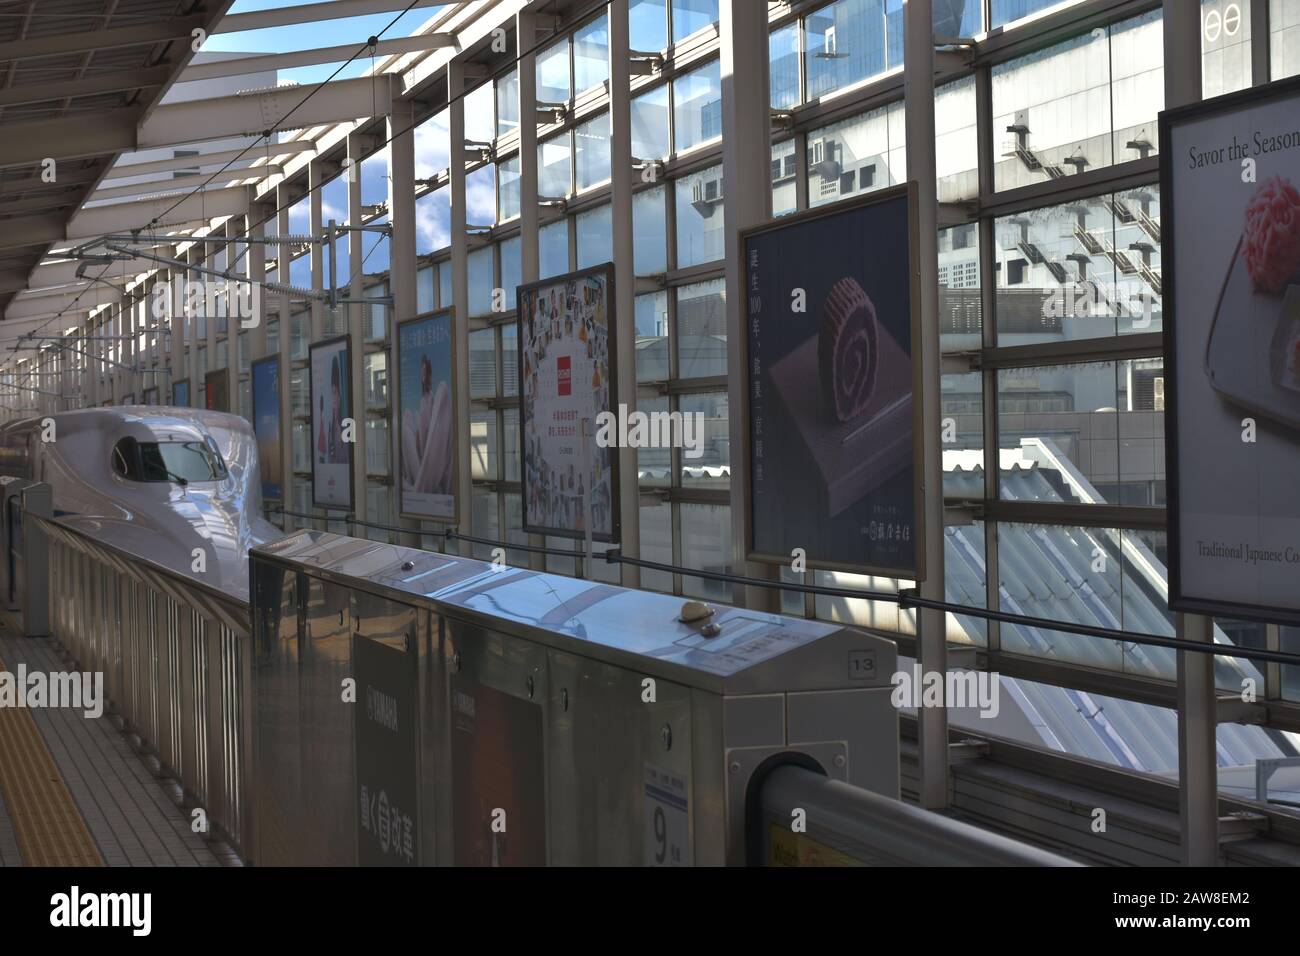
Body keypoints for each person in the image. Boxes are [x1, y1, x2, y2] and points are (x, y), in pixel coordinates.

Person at [401, 353, 453, 496]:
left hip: (433, 460)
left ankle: (418, 487)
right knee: (406, 419)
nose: (423, 378)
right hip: (424, 455)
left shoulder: (432, 399)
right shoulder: (424, 400)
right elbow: (423, 432)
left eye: (426, 374)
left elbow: (433, 433)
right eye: (422, 374)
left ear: (430, 375)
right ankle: (418, 485)